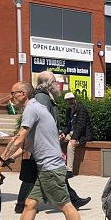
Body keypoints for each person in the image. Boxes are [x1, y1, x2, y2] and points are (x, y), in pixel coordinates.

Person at [0, 76, 92, 220]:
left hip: (51, 168)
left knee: (65, 205)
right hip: (47, 168)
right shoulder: (37, 108)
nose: (11, 97)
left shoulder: (31, 108)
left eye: (13, 93)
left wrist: (0, 158)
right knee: (30, 203)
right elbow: (27, 145)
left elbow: (19, 137)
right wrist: (7, 160)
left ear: (23, 94)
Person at [14, 81, 90, 212]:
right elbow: (35, 125)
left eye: (71, 99)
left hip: (43, 145)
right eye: (54, 82)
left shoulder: (41, 99)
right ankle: (22, 204)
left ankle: (22, 205)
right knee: (40, 176)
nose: (57, 85)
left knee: (36, 177)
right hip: (43, 146)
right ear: (48, 86)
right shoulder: (42, 99)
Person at [60, 91, 92, 178]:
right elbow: (67, 125)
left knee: (70, 145)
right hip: (72, 133)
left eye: (71, 99)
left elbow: (80, 126)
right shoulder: (68, 110)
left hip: (83, 135)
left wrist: (74, 138)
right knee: (58, 141)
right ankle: (57, 166)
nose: (70, 102)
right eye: (68, 100)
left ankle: (69, 170)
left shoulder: (81, 109)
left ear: (74, 99)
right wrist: (63, 133)